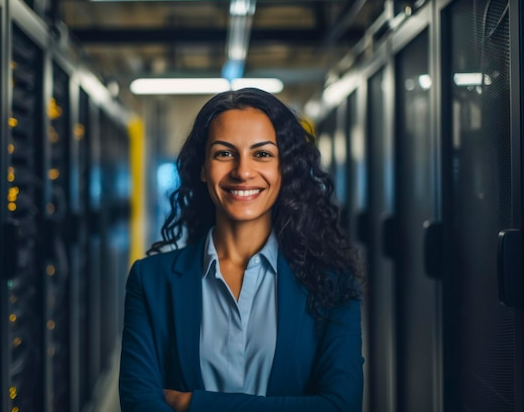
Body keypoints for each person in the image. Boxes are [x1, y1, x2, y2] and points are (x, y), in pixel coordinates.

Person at [119, 87, 364, 412]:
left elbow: (339, 407)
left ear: (283, 169)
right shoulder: (150, 280)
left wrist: (193, 404)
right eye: (224, 153)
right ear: (203, 168)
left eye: (262, 154)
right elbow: (140, 405)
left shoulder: (333, 283)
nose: (243, 171)